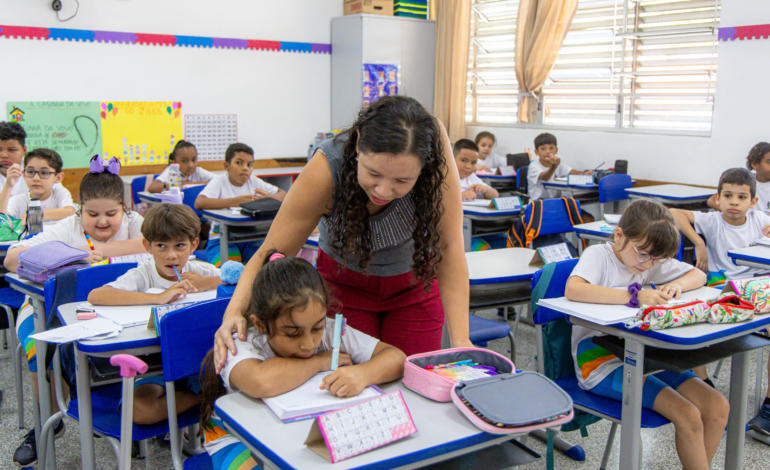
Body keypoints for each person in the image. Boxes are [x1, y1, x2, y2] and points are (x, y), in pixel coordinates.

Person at [212, 96, 471, 376]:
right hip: (343, 289)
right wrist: (234, 312)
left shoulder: (432, 144)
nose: (383, 191)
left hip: (414, 285)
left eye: (402, 181)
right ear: (358, 143)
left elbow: (450, 244)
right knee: (344, 384)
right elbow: (273, 252)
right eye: (373, 173)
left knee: (416, 381)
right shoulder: (327, 166)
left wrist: (461, 340)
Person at [200, 251, 406, 470]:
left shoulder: (328, 329)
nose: (309, 344)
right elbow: (260, 381)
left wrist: (363, 374)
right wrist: (318, 362)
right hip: (234, 438)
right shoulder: (241, 341)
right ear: (260, 324)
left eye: (316, 328)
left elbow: (396, 357)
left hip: (297, 433)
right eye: (293, 334)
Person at [565, 199, 729, 470]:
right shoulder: (599, 255)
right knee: (687, 414)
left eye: (658, 258)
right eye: (643, 254)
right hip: (598, 361)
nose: (648, 264)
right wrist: (634, 296)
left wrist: (675, 284)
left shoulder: (648, 259)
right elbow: (575, 289)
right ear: (619, 236)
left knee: (717, 406)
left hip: (642, 353)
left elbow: (697, 276)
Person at [5, 155, 145, 467]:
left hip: (115, 313)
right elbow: (12, 258)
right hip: (50, 309)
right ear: (80, 210)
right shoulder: (68, 228)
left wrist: (100, 251)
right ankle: (46, 420)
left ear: (126, 209)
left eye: (112, 213)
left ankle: (115, 419)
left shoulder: (136, 225)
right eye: (92, 214)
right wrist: (73, 253)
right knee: (38, 344)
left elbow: (158, 244)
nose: (102, 221)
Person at [195, 143, 287, 267]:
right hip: (220, 240)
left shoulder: (253, 181)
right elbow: (199, 202)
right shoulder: (220, 181)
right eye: (239, 163)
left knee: (263, 265)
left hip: (250, 239)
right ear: (226, 166)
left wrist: (270, 198)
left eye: (249, 165)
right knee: (232, 269)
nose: (245, 168)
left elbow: (283, 194)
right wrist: (235, 201)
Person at [0, 148, 75, 223]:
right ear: (23, 175)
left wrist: (33, 215)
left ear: (58, 178)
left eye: (44, 173)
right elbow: (3, 220)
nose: (36, 178)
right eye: (30, 172)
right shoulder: (18, 201)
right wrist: (8, 185)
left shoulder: (59, 193)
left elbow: (70, 212)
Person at [527, 132, 592, 201]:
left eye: (551, 148)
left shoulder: (558, 165)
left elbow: (573, 172)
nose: (548, 151)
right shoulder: (534, 166)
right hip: (537, 204)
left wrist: (585, 173)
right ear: (536, 152)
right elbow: (544, 177)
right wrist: (553, 167)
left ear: (556, 150)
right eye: (543, 149)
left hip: (555, 202)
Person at [707, 143, 770, 212]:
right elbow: (711, 201)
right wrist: (737, 215)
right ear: (755, 164)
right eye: (769, 162)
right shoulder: (746, 181)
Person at [147, 140, 214, 193]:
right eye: (184, 161)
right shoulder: (172, 171)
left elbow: (218, 181)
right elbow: (152, 187)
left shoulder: (197, 171)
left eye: (194, 160)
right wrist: (176, 186)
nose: (191, 165)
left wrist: (190, 184)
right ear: (174, 163)